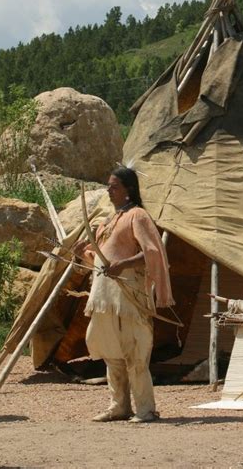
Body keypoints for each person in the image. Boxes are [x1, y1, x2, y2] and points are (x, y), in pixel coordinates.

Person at [73, 165, 174, 423]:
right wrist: (83, 254)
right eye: (109, 185)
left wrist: (126, 264)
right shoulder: (109, 220)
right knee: (111, 352)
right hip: (105, 296)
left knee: (135, 352)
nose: (109, 190)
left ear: (128, 190)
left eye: (114, 186)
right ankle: (119, 406)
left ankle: (145, 409)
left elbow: (153, 252)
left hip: (128, 295)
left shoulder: (138, 216)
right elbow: (102, 259)